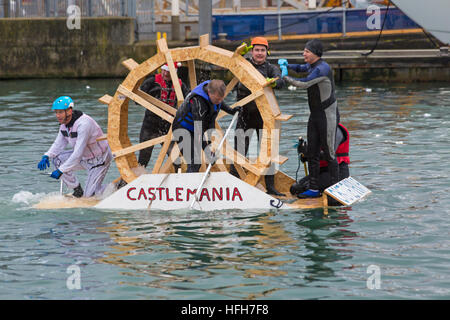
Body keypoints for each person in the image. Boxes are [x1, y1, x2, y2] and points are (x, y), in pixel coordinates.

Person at [279, 39, 340, 199]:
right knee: (312, 151)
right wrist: (287, 65)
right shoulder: (313, 65)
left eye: (306, 51)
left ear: (315, 54)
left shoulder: (322, 69)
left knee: (329, 152)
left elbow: (303, 83)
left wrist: (284, 77)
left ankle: (335, 189)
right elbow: (300, 68)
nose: (303, 53)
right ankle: (313, 189)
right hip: (315, 115)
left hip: (328, 116)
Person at [231, 36, 285, 196]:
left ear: (267, 53)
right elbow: (232, 63)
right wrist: (239, 53)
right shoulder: (244, 65)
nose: (259, 53)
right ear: (252, 52)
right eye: (256, 50)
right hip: (245, 115)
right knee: (239, 151)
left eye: (262, 50)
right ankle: (234, 182)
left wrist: (274, 82)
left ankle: (271, 187)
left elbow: (281, 82)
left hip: (265, 118)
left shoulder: (271, 68)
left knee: (269, 152)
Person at [37, 96, 112, 198]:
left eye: (60, 112)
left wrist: (61, 171)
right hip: (84, 158)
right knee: (57, 160)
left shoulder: (84, 124)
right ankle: (77, 190)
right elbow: (58, 144)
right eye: (56, 112)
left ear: (69, 111)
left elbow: (77, 153)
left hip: (99, 160)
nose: (57, 115)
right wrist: (46, 156)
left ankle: (118, 186)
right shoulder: (64, 124)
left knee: (91, 197)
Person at [172, 79, 241, 173]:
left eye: (222, 98)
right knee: (195, 162)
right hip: (182, 129)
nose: (220, 101)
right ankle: (189, 185)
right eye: (217, 99)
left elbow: (219, 103)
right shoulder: (198, 103)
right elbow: (198, 133)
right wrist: (208, 153)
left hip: (194, 129)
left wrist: (231, 110)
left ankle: (192, 182)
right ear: (209, 92)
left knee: (196, 161)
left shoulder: (214, 93)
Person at [138, 62, 190, 167]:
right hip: (150, 125)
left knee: (175, 158)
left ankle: (178, 178)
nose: (166, 73)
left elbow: (189, 102)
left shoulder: (180, 85)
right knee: (143, 159)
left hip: (167, 126)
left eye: (169, 72)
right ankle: (135, 178)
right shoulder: (152, 82)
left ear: (174, 73)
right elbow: (137, 99)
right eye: (164, 70)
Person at [290, 123, 350, 195]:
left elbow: (329, 155)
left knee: (305, 188)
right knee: (294, 189)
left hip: (337, 172)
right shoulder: (318, 131)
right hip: (321, 171)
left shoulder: (337, 132)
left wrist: (308, 153)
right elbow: (314, 154)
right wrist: (304, 154)